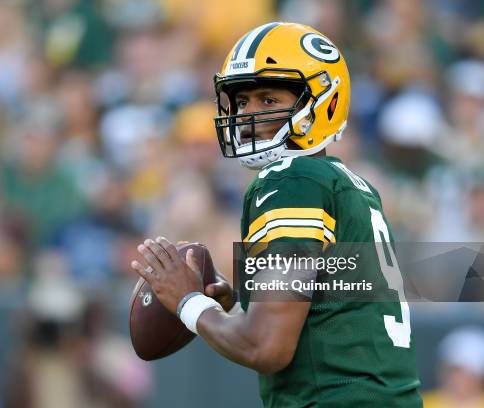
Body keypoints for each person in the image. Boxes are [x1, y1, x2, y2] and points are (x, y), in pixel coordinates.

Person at [131, 22, 423, 407]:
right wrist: (239, 305)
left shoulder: (292, 180)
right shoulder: (349, 184)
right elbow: (331, 309)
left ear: (324, 102)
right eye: (243, 101)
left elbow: (266, 347)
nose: (248, 114)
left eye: (268, 100)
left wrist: (187, 302)